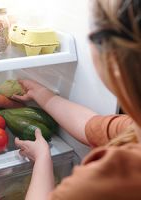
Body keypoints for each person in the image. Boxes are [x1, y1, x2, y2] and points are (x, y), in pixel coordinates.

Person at [13, 0, 141, 199]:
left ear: (114, 59)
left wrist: (42, 158)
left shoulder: (104, 180)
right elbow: (90, 125)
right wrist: (42, 95)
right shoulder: (132, 127)